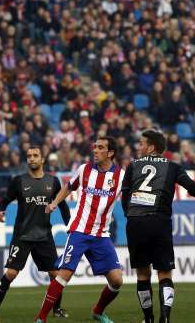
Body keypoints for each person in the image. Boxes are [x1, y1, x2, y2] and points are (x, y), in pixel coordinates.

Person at [35, 137, 125, 323]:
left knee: (117, 280)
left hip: (101, 234)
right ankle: (41, 318)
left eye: (100, 148)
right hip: (79, 231)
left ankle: (98, 311)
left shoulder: (121, 176)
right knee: (65, 274)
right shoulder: (84, 169)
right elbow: (69, 186)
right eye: (95, 147)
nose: (95, 151)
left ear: (110, 153)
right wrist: (54, 203)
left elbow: (131, 196)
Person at [121, 130, 195, 323]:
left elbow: (125, 197)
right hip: (160, 222)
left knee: (142, 274)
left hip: (136, 222)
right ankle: (165, 316)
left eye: (141, 144)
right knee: (164, 272)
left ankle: (148, 318)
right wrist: (190, 190)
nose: (138, 147)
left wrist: (131, 214)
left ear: (151, 147)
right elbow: (194, 188)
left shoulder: (132, 166)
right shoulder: (173, 167)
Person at [0, 145, 71, 320]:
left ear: (42, 160)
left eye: (35, 155)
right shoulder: (19, 181)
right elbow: (5, 199)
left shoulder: (53, 182)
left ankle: (57, 309)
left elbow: (62, 205)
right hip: (22, 235)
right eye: (29, 156)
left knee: (55, 274)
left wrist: (70, 226)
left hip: (44, 236)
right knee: (11, 273)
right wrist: (0, 210)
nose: (31, 158)